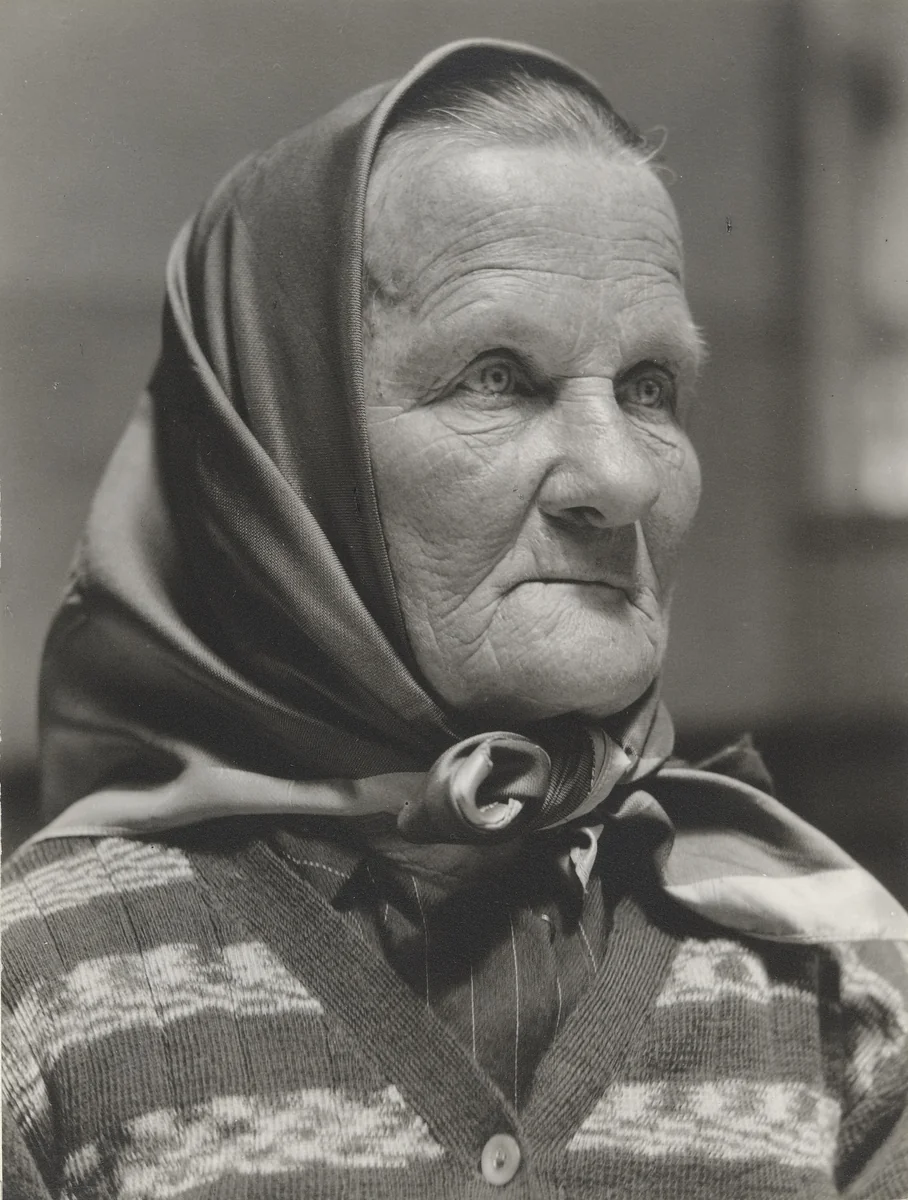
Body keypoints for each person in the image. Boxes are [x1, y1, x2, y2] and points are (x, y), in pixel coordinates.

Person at [3, 38, 907, 1200]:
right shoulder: (41, 992)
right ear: (285, 459)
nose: (618, 478)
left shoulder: (837, 983)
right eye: (497, 377)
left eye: (647, 387)